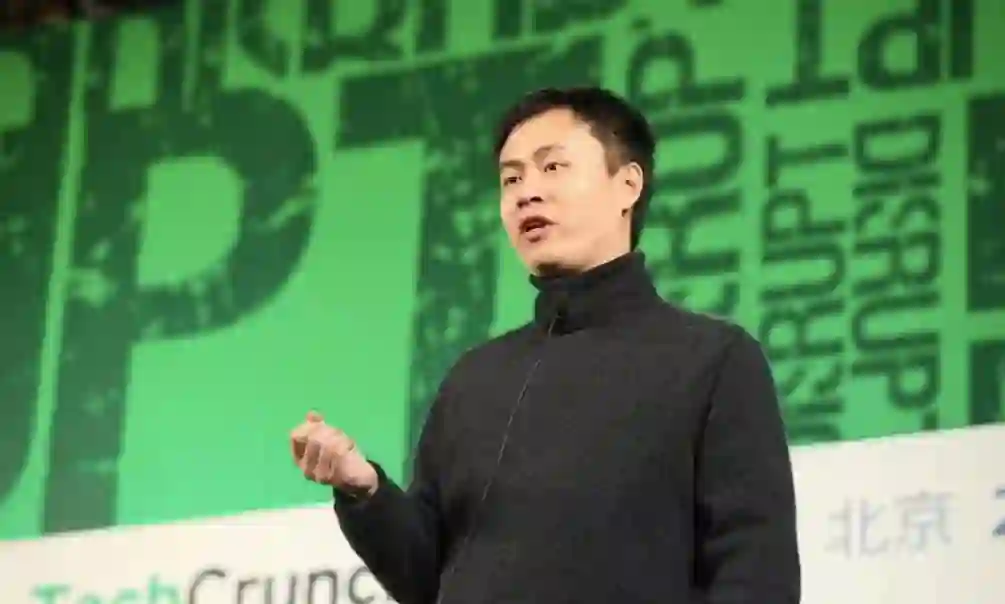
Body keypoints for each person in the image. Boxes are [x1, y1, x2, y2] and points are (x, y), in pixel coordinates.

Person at [290, 86, 801, 603]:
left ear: (627, 185)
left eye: (552, 167)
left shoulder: (712, 360)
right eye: (511, 178)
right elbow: (429, 580)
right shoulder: (474, 379)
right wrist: (364, 490)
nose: (526, 193)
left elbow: (757, 573)